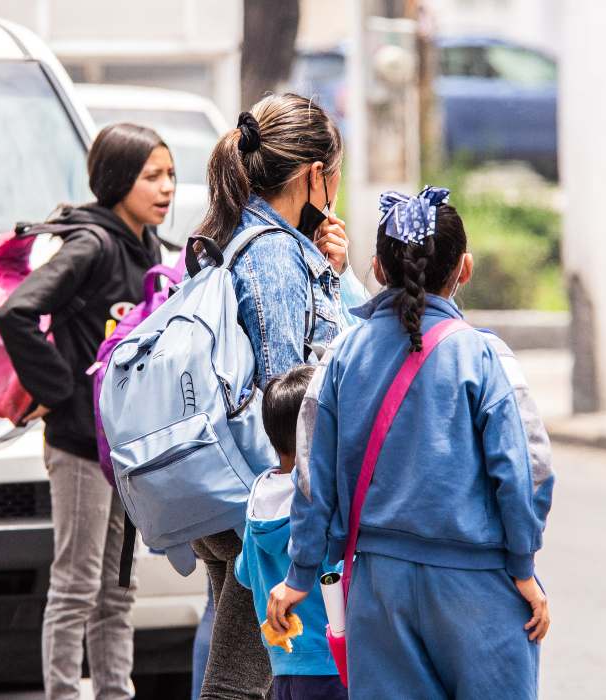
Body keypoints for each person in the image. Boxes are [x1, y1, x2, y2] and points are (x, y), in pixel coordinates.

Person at [266, 187, 556, 699]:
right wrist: (523, 568)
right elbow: (526, 469)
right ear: (463, 269)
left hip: (379, 589)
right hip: (478, 585)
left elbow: (312, 475)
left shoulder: (340, 357)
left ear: (377, 268)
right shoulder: (485, 357)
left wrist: (301, 573)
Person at [0, 123, 174, 700]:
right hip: (78, 446)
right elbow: (16, 313)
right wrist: (62, 389)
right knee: (76, 585)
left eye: (170, 174)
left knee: (117, 590)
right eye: (152, 176)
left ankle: (115, 693)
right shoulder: (91, 246)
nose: (167, 187)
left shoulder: (147, 247)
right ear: (119, 180)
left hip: (122, 451)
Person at [192, 93, 348, 700]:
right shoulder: (276, 254)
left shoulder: (245, 236)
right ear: (314, 175)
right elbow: (291, 397)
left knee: (251, 678)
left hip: (234, 485)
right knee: (239, 684)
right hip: (269, 499)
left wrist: (329, 272)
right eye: (334, 174)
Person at [235, 364, 346, 700]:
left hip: (283, 664)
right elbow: (338, 574)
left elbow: (244, 573)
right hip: (331, 663)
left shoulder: (259, 495)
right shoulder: (320, 502)